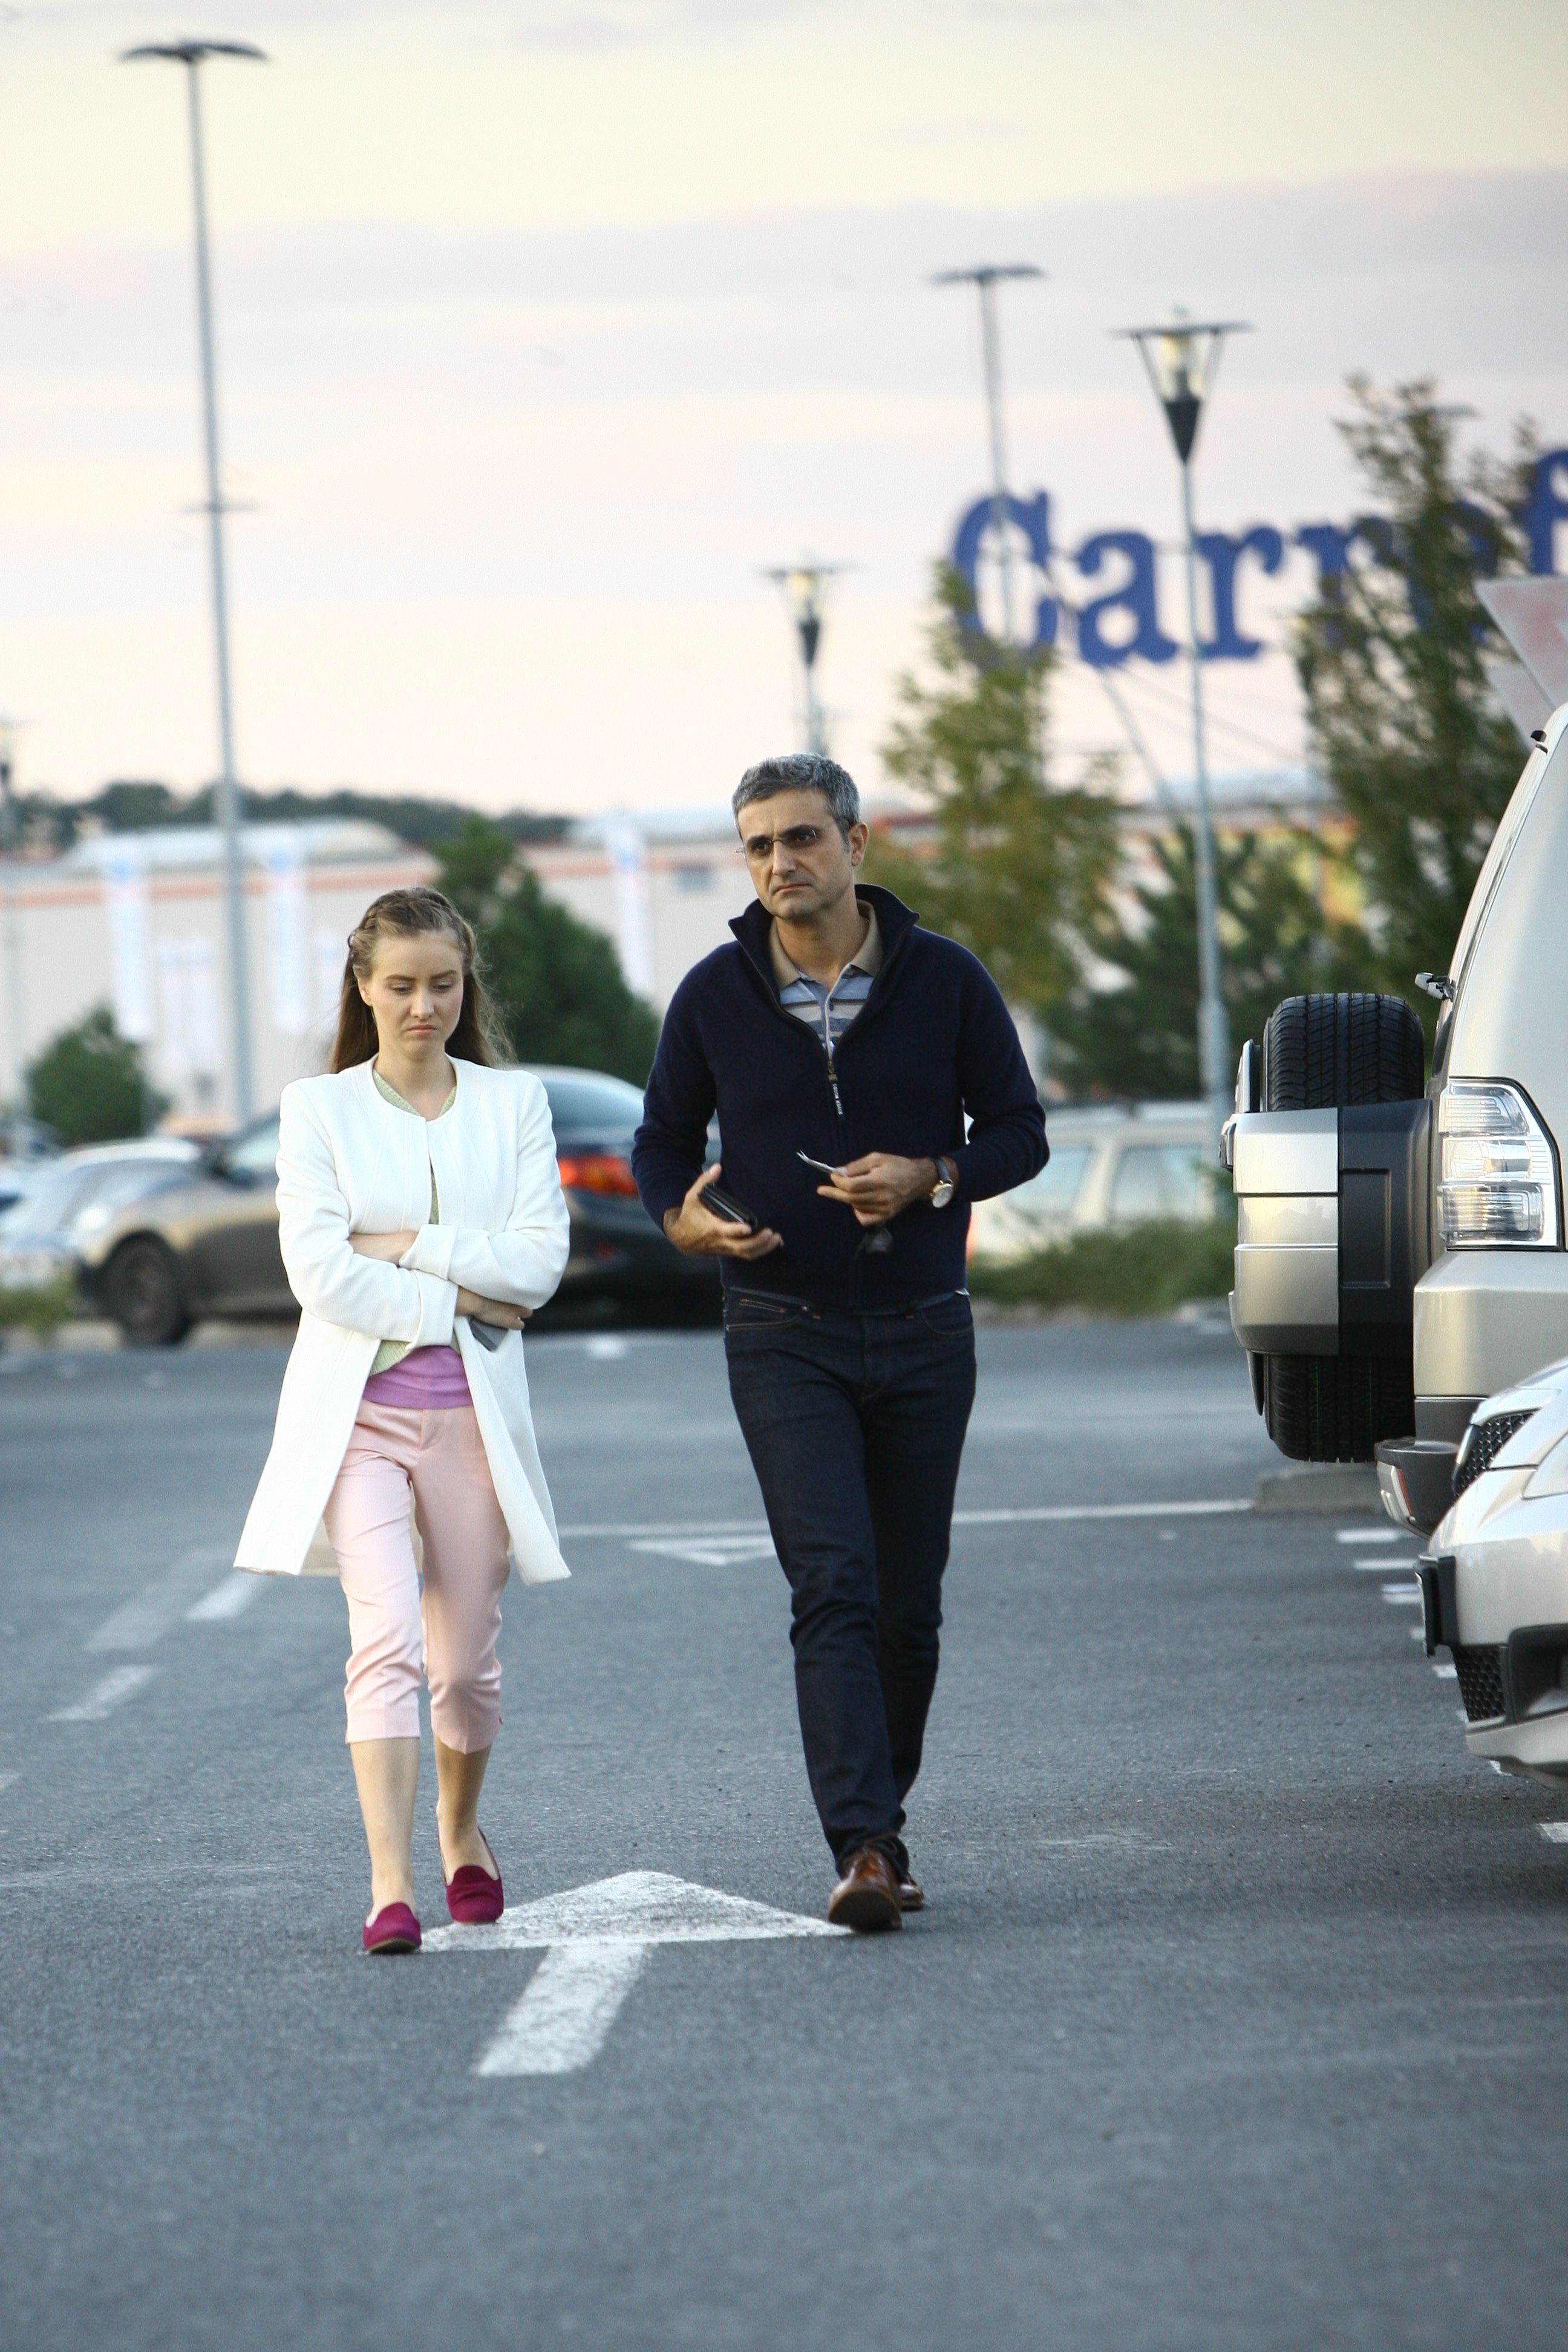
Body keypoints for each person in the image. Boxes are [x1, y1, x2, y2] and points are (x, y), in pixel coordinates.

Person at [632, 753, 1047, 1931]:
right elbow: (663, 1142)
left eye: (802, 839)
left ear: (857, 846)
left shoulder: (945, 981)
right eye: (760, 845)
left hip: (923, 1327)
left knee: (909, 1606)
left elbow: (1021, 1131)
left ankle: (884, 1817)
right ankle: (863, 1846)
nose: (780, 865)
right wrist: (682, 1218)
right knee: (834, 1587)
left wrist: (934, 1176)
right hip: (780, 1331)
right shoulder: (714, 994)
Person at [235, 887, 571, 1955]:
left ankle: (461, 1831)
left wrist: (408, 1246)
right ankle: (390, 1884)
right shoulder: (316, 1111)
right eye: (401, 986)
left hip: (473, 1424)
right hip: (361, 1425)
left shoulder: (513, 1106)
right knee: (381, 1639)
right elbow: (321, 1277)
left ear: (464, 984)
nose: (424, 1006)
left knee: (465, 1662)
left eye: (443, 984)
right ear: (364, 988)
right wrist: (464, 1292)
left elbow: (540, 1263)